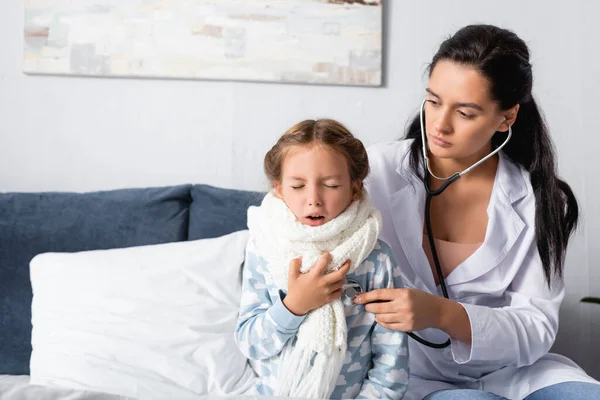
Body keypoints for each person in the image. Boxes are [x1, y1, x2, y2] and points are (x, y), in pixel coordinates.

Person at [351, 24, 600, 400]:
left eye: (465, 113)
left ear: (506, 118)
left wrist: (442, 314)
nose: (439, 124)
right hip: (409, 374)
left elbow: (535, 328)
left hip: (515, 373)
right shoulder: (374, 172)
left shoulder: (538, 198)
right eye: (433, 101)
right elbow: (288, 213)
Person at [234, 119, 409, 399]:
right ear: (278, 188)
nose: (314, 199)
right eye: (298, 186)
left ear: (354, 187)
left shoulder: (375, 258)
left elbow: (391, 362)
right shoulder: (265, 248)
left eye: (330, 185)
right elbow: (252, 343)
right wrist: (294, 306)